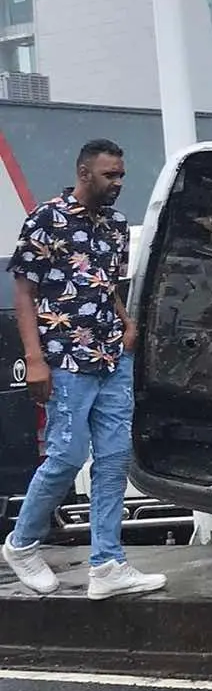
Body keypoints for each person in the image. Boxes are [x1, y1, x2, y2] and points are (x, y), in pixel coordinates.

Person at [3, 139, 167, 600]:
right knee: (67, 456)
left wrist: (127, 321)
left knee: (114, 460)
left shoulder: (115, 225)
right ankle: (21, 543)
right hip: (65, 358)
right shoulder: (46, 219)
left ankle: (108, 564)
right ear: (83, 172)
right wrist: (34, 359)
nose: (117, 183)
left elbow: (105, 283)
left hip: (113, 355)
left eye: (121, 175)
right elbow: (23, 294)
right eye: (109, 175)